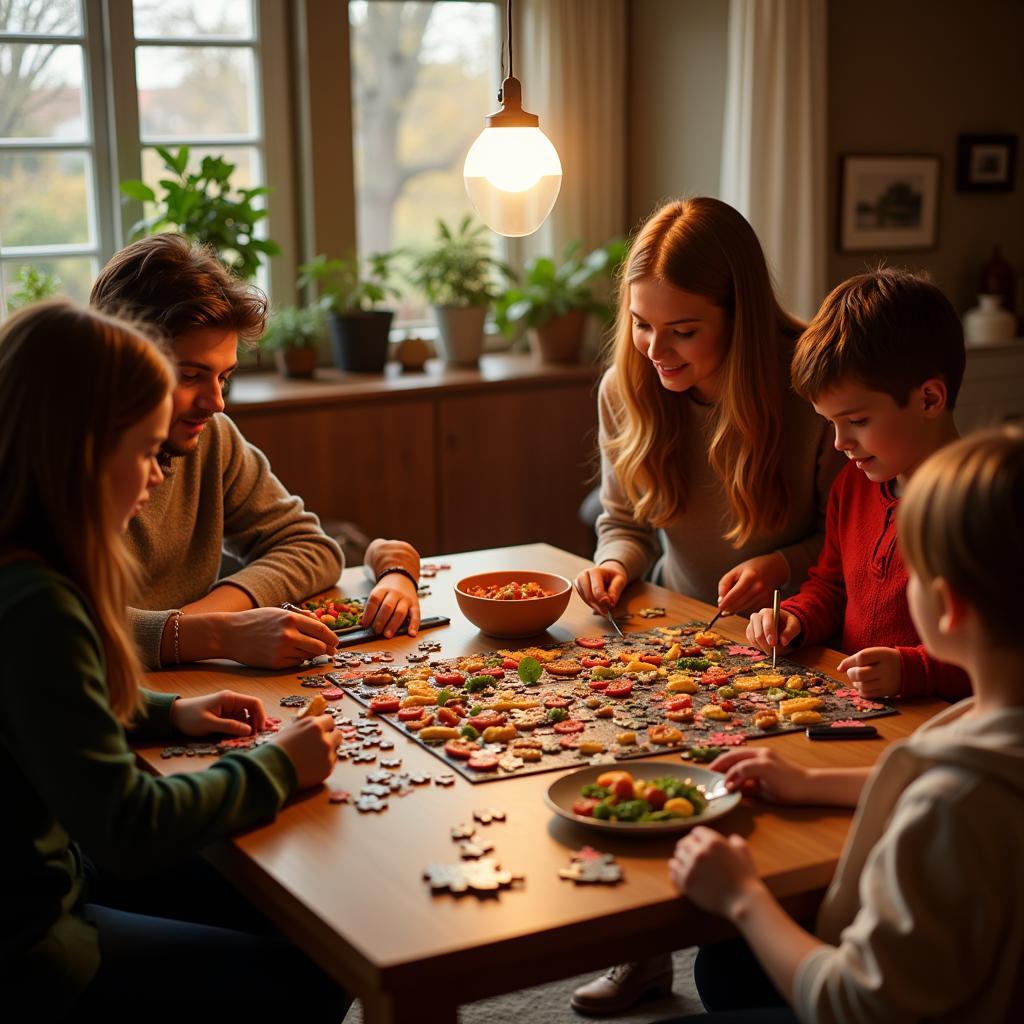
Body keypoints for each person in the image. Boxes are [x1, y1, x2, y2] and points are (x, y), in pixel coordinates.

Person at [0, 299, 348, 1021]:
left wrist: (168, 710)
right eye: (145, 451)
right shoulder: (36, 600)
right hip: (38, 950)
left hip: (46, 887)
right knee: (320, 967)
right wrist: (276, 766)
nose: (157, 477)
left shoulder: (18, 562)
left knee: (270, 907)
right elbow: (127, 829)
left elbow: (45, 709)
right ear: (81, 448)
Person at [571, 197, 843, 1015]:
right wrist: (615, 566)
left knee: (753, 798)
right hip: (686, 622)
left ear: (743, 314)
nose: (656, 349)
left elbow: (846, 534)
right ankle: (644, 952)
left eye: (682, 329)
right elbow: (624, 521)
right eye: (642, 324)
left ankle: (781, 938)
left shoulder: (810, 381)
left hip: (797, 634)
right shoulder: (631, 382)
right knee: (634, 758)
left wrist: (780, 564)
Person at [668, 427, 1024, 1022]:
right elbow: (947, 769)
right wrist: (812, 783)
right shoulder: (989, 726)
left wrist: (743, 897)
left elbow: (853, 1004)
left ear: (948, 606)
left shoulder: (951, 809)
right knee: (726, 967)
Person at [89, 233, 422, 671]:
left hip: (183, 692)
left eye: (223, 376)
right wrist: (210, 634)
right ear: (123, 361)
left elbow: (310, 548)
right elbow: (50, 629)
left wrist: (210, 617)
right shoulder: (49, 456)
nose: (217, 402)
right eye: (190, 375)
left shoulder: (211, 435)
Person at [746, 269, 970, 700]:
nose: (840, 442)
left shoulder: (981, 508)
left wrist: (914, 670)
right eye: (830, 423)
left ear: (929, 399)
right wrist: (795, 617)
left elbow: (1006, 652)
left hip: (935, 726)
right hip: (853, 708)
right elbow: (831, 587)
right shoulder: (851, 485)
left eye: (858, 421)